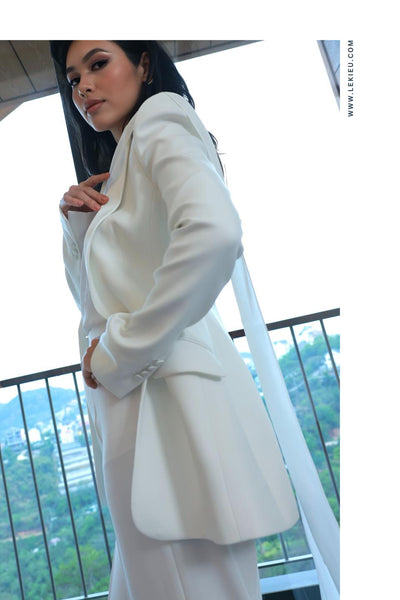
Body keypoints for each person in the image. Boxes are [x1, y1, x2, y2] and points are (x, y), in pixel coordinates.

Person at [50, 40, 299, 600]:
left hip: (167, 411)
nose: (82, 86)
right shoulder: (121, 173)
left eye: (98, 63)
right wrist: (78, 225)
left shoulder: (160, 121)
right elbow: (97, 304)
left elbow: (215, 234)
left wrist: (118, 354)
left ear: (143, 64)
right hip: (141, 413)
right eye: (72, 78)